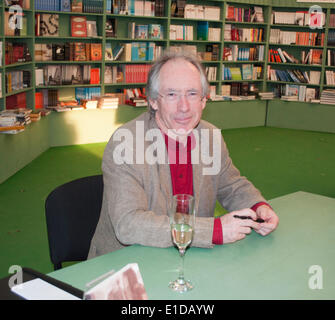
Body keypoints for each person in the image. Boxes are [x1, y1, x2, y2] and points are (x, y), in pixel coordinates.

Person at [88, 51, 279, 258]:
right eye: (171, 94)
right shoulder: (126, 143)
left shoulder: (210, 136)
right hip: (127, 263)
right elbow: (128, 225)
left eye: (192, 94)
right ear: (153, 101)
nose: (184, 107)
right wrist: (213, 231)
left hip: (189, 257)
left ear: (204, 101)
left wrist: (258, 206)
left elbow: (231, 185)